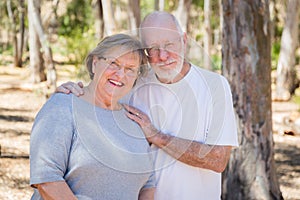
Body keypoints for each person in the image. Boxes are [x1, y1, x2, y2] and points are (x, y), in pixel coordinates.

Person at [56, 11, 239, 200]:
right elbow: (100, 102)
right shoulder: (135, 83)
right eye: (153, 48)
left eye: (169, 44)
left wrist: (157, 137)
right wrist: (73, 93)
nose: (163, 55)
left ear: (184, 40)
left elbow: (218, 160)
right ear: (146, 53)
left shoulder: (215, 85)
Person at [30, 34, 156, 200]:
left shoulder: (133, 119)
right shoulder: (63, 106)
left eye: (130, 69)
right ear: (95, 63)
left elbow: (148, 185)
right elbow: (47, 179)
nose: (120, 74)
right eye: (114, 63)